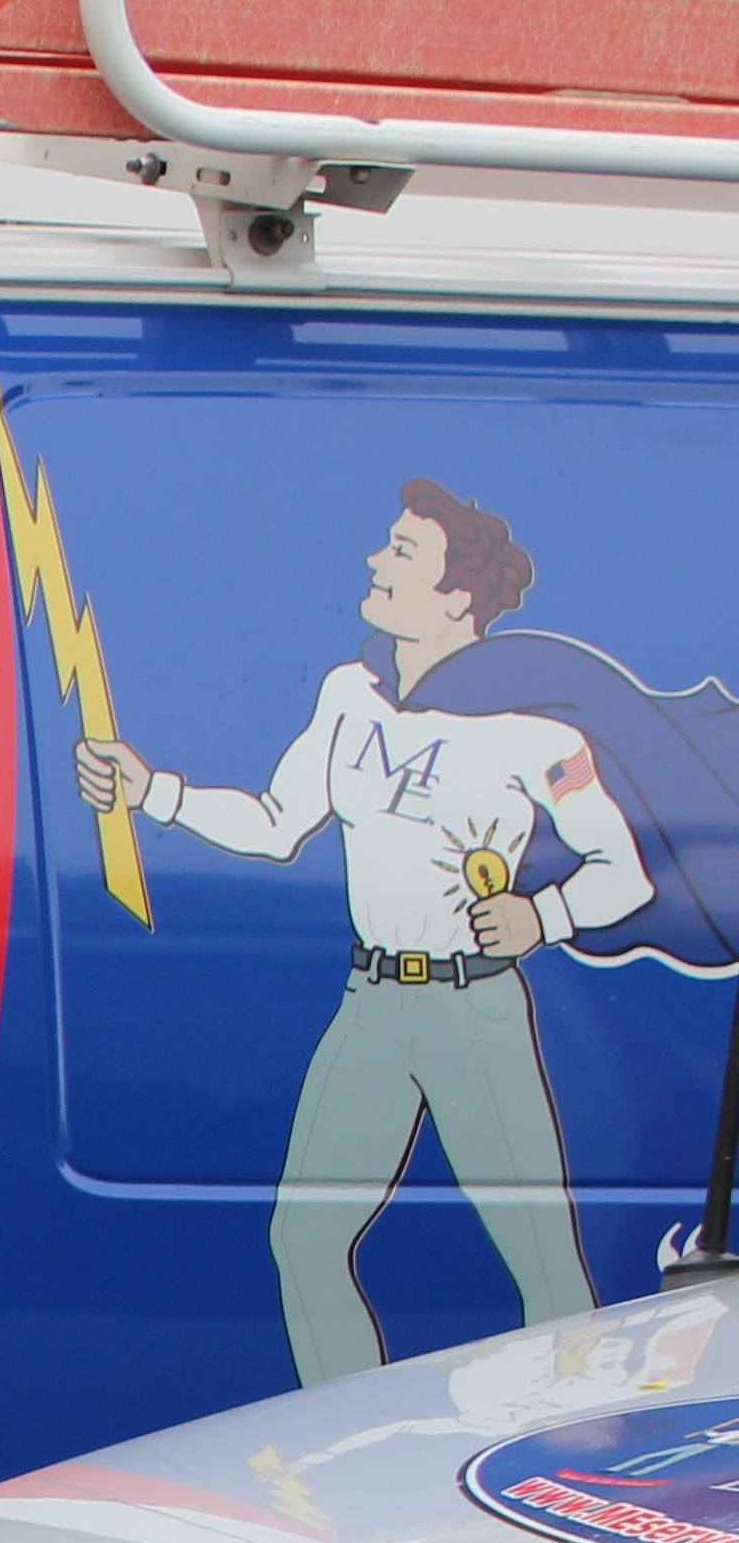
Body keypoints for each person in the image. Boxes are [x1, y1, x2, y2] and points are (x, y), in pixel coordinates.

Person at [79, 480, 641, 1382]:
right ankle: (340, 1466)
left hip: (474, 1013)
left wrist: (544, 914)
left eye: (403, 552)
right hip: (372, 1007)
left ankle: (561, 1471)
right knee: (303, 1240)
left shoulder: (533, 728)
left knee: (546, 1271)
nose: (376, 562)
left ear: (458, 597)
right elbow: (274, 824)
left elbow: (625, 871)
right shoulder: (352, 694)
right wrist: (157, 794)